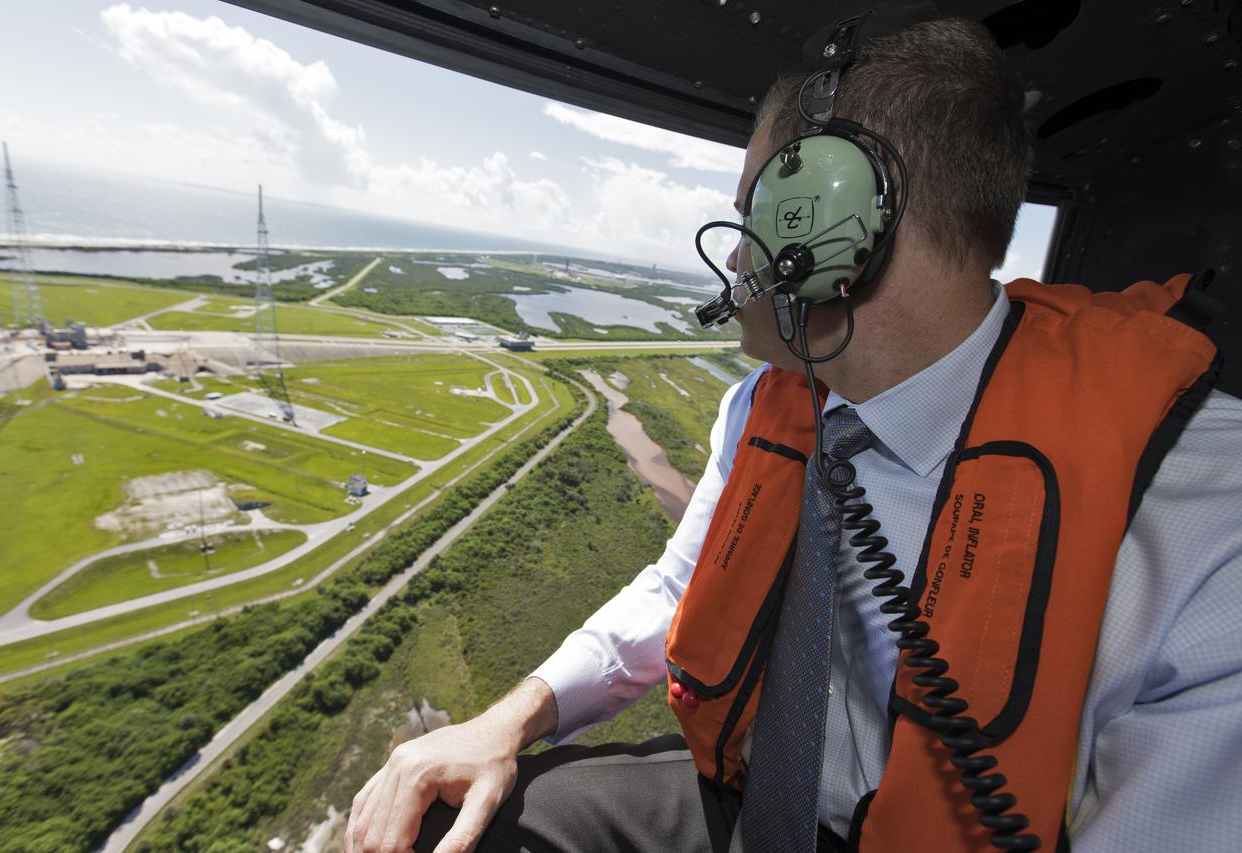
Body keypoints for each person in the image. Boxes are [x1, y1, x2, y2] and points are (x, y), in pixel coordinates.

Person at [345, 12, 1242, 853]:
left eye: (754, 213)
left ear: (843, 216)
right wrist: (506, 720)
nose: (737, 257)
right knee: (454, 830)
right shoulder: (764, 405)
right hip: (746, 790)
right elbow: (682, 588)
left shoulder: (1202, 522)